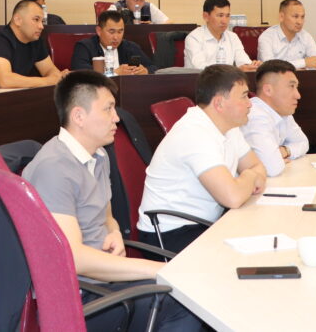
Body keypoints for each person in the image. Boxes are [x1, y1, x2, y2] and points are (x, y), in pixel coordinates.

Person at [21, 71, 202, 332]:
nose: (116, 117)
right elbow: (74, 259)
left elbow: (105, 215)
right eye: (108, 109)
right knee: (187, 303)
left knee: (192, 294)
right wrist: (158, 270)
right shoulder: (54, 168)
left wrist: (114, 231)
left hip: (106, 280)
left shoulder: (98, 155)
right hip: (81, 295)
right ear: (79, 116)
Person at [136, 65, 266, 253]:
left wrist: (247, 178)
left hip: (203, 222)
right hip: (170, 233)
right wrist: (250, 176)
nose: (250, 103)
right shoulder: (195, 133)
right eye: (244, 96)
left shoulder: (229, 126)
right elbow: (234, 196)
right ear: (219, 103)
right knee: (251, 251)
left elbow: (257, 166)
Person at [0, 0, 66, 89]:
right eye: (36, 20)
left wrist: (56, 77)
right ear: (18, 20)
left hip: (16, 95)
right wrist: (47, 81)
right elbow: (5, 81)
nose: (41, 26)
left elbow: (49, 70)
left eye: (42, 21)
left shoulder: (35, 40)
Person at [240, 60, 309, 177]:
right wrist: (276, 159)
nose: (298, 95)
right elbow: (272, 168)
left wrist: (284, 151)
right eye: (291, 86)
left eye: (297, 87)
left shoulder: (283, 112)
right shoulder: (255, 115)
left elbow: (303, 143)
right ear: (268, 90)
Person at [183, 0, 258, 71]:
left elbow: (243, 60)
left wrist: (252, 66)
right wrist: (237, 70)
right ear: (206, 16)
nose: (224, 21)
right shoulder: (194, 38)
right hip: (200, 78)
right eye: (220, 15)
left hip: (228, 77)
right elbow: (201, 68)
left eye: (227, 16)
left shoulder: (232, 37)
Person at [70, 9, 154, 74]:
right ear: (99, 31)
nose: (116, 37)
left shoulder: (130, 47)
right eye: (111, 32)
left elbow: (153, 68)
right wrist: (114, 73)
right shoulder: (85, 47)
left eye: (120, 31)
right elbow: (80, 72)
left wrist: (145, 71)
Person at [257, 0, 316, 69]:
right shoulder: (267, 37)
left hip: (301, 76)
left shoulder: (306, 36)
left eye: (302, 17)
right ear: (281, 17)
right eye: (295, 16)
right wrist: (304, 63)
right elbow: (270, 67)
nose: (300, 22)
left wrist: (304, 68)